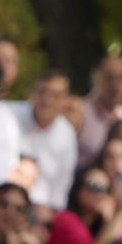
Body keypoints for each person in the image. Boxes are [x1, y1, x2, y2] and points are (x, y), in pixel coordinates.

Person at [7, 72, 78, 209]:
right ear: (32, 93)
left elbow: (61, 188)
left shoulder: (67, 134)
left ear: (65, 100)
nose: (47, 100)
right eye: (43, 92)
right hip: (2, 200)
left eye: (55, 96)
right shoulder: (8, 116)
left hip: (41, 209)